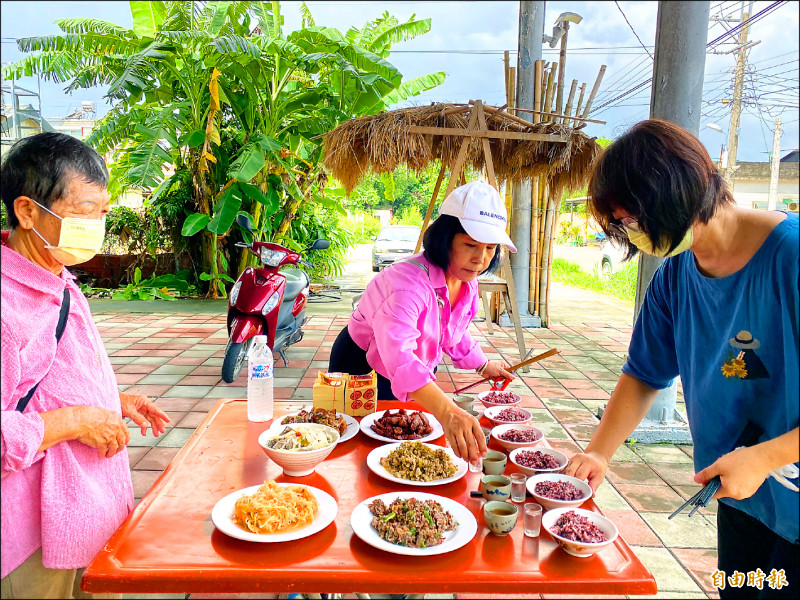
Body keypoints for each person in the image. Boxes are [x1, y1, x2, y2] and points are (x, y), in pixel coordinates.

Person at [563, 119, 798, 598]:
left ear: (673, 196)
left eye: (631, 220)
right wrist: (598, 452)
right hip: (741, 494)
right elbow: (642, 374)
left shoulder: (790, 257)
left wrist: (765, 457)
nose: (631, 235)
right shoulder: (674, 278)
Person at [1, 132, 170, 599]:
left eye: (102, 211)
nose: (96, 225)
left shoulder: (57, 275)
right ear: (28, 211)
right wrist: (75, 420)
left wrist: (111, 400)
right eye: (83, 212)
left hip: (91, 512)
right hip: (32, 538)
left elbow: (40, 379)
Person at [329, 181, 517, 464]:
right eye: (470, 245)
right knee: (359, 447)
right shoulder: (407, 286)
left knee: (401, 442)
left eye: (491, 248)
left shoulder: (466, 280)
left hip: (407, 366)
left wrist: (483, 365)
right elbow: (402, 360)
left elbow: (452, 332)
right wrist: (449, 412)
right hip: (361, 362)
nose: (480, 259)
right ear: (444, 239)